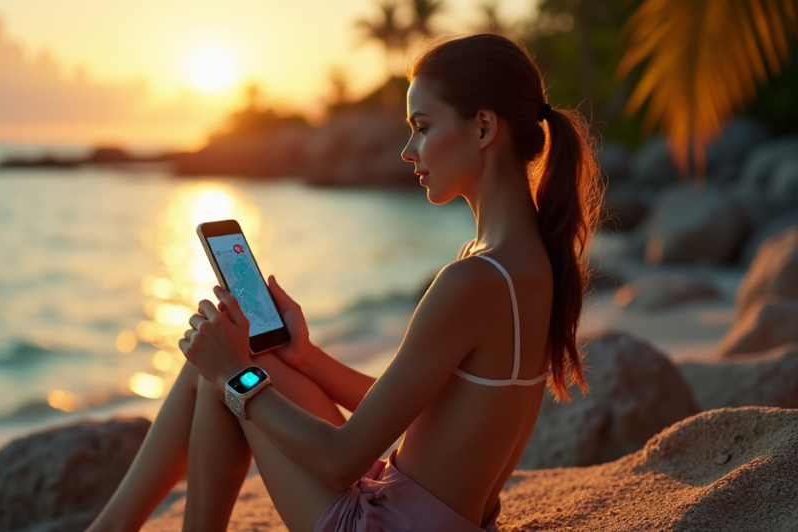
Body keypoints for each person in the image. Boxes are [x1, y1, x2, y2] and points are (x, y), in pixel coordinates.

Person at [86, 32, 603, 532]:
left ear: (485, 127)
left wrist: (235, 376)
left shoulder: (474, 280)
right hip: (415, 507)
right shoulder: (528, 262)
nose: (407, 149)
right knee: (234, 354)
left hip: (386, 524)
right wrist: (304, 356)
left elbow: (339, 461)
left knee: (223, 368)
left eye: (422, 126)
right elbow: (413, 408)